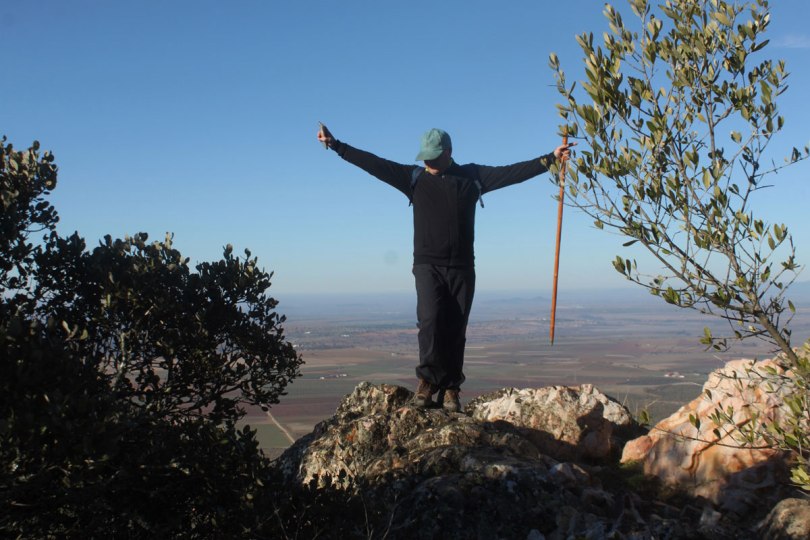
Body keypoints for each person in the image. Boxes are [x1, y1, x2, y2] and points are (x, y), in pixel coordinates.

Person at [317, 124, 573, 412]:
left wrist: (550, 159)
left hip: (462, 266)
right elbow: (373, 164)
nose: (428, 162)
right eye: (425, 157)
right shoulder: (413, 178)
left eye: (434, 157)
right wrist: (336, 145)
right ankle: (427, 382)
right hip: (427, 265)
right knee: (430, 322)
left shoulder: (472, 176)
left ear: (449, 152)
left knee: (456, 327)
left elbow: (513, 172)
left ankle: (451, 388)